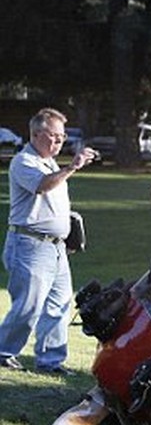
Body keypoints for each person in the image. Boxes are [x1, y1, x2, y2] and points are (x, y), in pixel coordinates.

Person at [0, 108, 97, 374]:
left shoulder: (51, 163)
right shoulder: (24, 161)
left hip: (56, 247)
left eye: (62, 137)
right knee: (28, 305)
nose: (58, 142)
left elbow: (52, 202)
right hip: (30, 245)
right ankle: (3, 352)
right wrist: (72, 167)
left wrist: (69, 230)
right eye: (53, 137)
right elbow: (42, 186)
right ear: (35, 134)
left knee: (60, 304)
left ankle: (50, 361)